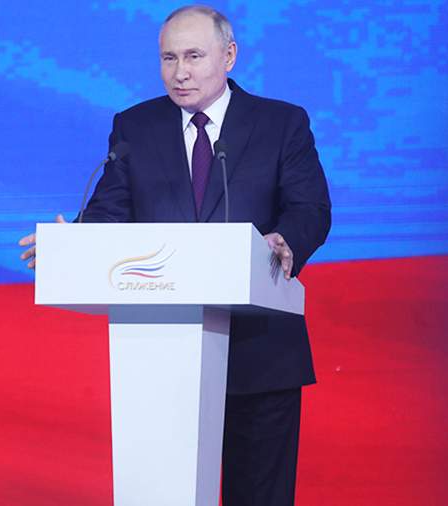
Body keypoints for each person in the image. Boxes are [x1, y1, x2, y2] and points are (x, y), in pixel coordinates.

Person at [18, 5, 331, 505]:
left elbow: (309, 208)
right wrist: (72, 244)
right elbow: (108, 213)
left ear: (229, 56)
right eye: (168, 58)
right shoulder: (135, 127)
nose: (179, 72)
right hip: (163, 357)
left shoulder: (281, 123)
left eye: (193, 56)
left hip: (261, 350)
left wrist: (286, 241)